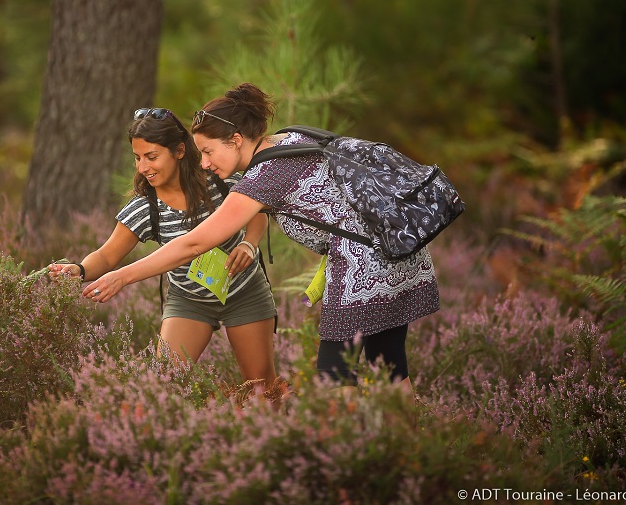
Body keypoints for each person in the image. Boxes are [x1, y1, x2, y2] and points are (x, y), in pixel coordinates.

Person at [84, 86, 440, 394]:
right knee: (389, 367)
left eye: (208, 152)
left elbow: (194, 244)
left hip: (364, 269)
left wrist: (123, 276)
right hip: (398, 249)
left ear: (236, 140)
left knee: (335, 378)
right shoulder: (291, 138)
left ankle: (343, 461)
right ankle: (407, 452)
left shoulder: (263, 177)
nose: (204, 163)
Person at [50, 107, 278, 387]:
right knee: (165, 384)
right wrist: (81, 269)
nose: (143, 167)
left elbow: (256, 212)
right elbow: (107, 255)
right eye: (137, 158)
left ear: (179, 151)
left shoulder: (221, 179)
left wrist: (248, 244)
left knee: (262, 387)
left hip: (245, 293)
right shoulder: (145, 208)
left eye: (151, 157)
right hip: (188, 302)